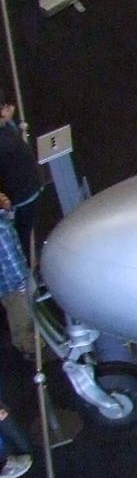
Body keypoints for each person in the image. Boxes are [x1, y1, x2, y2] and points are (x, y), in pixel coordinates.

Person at [0, 101, 42, 359]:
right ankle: (29, 346)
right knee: (20, 313)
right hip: (12, 284)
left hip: (9, 282)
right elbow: (12, 263)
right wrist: (27, 281)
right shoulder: (2, 230)